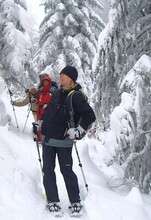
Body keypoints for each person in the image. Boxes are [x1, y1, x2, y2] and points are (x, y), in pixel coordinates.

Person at [41, 66, 96, 216]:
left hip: (63, 142)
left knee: (66, 171)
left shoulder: (75, 96)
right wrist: (40, 124)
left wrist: (78, 132)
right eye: (60, 73)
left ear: (71, 78)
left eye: (64, 74)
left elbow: (90, 116)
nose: (60, 76)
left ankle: (75, 201)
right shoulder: (58, 92)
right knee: (48, 170)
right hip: (47, 139)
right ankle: (52, 200)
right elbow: (49, 112)